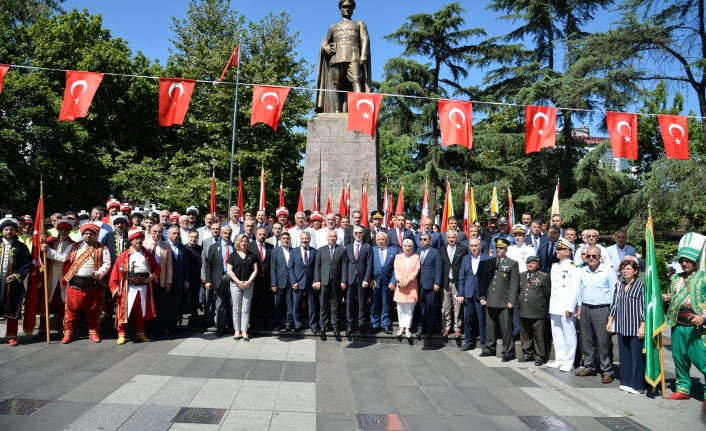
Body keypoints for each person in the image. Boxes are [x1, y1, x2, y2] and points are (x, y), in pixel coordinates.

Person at [45, 222, 111, 344]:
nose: (88, 236)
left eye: (91, 233)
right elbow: (61, 257)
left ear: (95, 235)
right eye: (86, 233)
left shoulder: (102, 248)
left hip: (93, 284)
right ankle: (68, 333)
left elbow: (107, 263)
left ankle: (93, 332)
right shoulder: (74, 247)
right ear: (82, 234)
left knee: (94, 311)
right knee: (71, 310)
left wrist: (99, 273)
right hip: (75, 283)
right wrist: (48, 250)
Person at [663, 232, 706, 409]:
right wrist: (666, 298)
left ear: (695, 260)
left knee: (703, 361)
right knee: (679, 358)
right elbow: (671, 297)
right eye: (682, 260)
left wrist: (703, 317)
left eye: (687, 260)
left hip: (698, 327)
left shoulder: (704, 277)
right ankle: (683, 389)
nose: (684, 263)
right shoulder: (674, 278)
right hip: (677, 325)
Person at [315, 0, 372, 114]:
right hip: (336, 57)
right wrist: (325, 48)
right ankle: (336, 110)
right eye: (344, 7)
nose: (346, 9)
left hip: (353, 55)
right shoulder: (333, 26)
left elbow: (365, 39)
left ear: (352, 10)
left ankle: (357, 110)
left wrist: (364, 54)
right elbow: (324, 43)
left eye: (348, 7)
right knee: (335, 84)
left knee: (356, 81)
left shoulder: (359, 23)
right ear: (340, 10)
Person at [109, 226, 160, 344]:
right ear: (131, 240)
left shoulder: (147, 255)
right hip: (129, 288)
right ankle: (121, 333)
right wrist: (115, 287)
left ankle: (140, 333)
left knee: (141, 311)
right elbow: (115, 273)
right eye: (136, 239)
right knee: (124, 310)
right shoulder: (124, 255)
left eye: (140, 239)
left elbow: (157, 267)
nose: (138, 241)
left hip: (143, 288)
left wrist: (152, 276)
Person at [575, 245, 618, 383]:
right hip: (586, 309)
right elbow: (580, 290)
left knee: (603, 342)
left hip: (602, 309)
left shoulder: (608, 271)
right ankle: (590, 367)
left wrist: (612, 314)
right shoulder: (583, 271)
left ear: (600, 257)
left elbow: (614, 293)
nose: (591, 258)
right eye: (588, 256)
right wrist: (580, 307)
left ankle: (607, 371)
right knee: (587, 341)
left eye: (594, 256)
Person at [607, 259, 646, 394]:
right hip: (622, 326)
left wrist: (643, 326)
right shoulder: (619, 286)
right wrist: (610, 321)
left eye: (628, 269)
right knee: (624, 357)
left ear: (635, 271)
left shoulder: (640, 287)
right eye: (623, 268)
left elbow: (643, 308)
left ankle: (638, 385)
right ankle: (626, 381)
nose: (625, 271)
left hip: (636, 327)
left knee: (637, 357)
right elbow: (614, 305)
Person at [480, 238, 519, 361]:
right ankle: (489, 348)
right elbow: (484, 282)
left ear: (506, 249)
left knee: (506, 328)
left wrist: (512, 300)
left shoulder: (512, 263)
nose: (498, 250)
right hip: (490, 299)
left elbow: (514, 284)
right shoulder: (489, 262)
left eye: (501, 248)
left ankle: (508, 351)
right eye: (497, 248)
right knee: (489, 327)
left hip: (504, 301)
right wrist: (482, 297)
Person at [35, 216, 75, 339]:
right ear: (57, 229)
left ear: (70, 231)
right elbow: (38, 255)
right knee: (46, 304)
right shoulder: (49, 241)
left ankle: (62, 328)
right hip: (49, 278)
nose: (63, 231)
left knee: (63, 305)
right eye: (61, 229)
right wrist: (40, 243)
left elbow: (63, 258)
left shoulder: (74, 245)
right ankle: (42, 329)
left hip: (64, 278)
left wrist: (48, 250)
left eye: (66, 229)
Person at [547, 239, 581, 372]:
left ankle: (569, 361)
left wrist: (570, 307)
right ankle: (560, 358)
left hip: (566, 306)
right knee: (557, 334)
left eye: (560, 249)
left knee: (569, 335)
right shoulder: (555, 266)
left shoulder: (574, 267)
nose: (557, 251)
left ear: (568, 252)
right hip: (555, 305)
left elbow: (575, 289)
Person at [1, 216, 32, 345]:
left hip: (13, 283)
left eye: (12, 229)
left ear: (16, 231)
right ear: (2, 231)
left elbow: (27, 264)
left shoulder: (22, 247)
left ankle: (12, 335)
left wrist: (16, 275)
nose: (9, 232)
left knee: (13, 308)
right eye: (6, 229)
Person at [457, 238, 490, 351]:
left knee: (482, 319)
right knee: (467, 319)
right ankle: (468, 342)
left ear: (480, 246)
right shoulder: (465, 259)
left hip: (481, 295)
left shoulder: (487, 258)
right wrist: (461, 293)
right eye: (471, 246)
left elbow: (489, 279)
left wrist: (486, 295)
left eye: (475, 246)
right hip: (468, 293)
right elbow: (461, 277)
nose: (473, 248)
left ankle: (484, 344)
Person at [518, 255, 551, 366]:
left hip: (538, 311)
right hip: (524, 310)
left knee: (539, 335)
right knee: (525, 334)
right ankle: (527, 354)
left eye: (532, 263)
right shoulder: (522, 275)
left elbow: (547, 294)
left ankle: (539, 356)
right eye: (528, 263)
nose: (530, 265)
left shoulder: (543, 277)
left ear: (537, 265)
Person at [314, 230, 348, 336]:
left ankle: (335, 326)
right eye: (330, 236)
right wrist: (317, 280)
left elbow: (344, 267)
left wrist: (343, 281)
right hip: (323, 282)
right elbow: (317, 266)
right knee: (323, 305)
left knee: (336, 305)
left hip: (336, 282)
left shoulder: (342, 250)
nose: (332, 238)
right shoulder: (321, 250)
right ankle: (323, 326)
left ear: (336, 238)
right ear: (327, 238)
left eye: (334, 236)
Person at [143, 224, 173, 339]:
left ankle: (160, 329)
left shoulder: (166, 246)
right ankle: (147, 329)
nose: (157, 234)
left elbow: (169, 266)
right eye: (155, 231)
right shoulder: (144, 243)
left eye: (160, 232)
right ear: (150, 231)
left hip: (161, 281)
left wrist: (168, 281)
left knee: (161, 307)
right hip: (146, 281)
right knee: (148, 306)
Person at [227, 233, 258, 341]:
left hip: (249, 285)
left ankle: (244, 331)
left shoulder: (251, 255)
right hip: (235, 285)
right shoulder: (233, 255)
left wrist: (249, 281)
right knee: (236, 309)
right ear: (238, 242)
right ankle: (237, 331)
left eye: (245, 241)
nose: (243, 243)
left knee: (245, 309)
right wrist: (238, 282)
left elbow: (255, 270)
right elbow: (229, 271)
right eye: (241, 241)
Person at [205, 225, 234, 337]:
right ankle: (220, 327)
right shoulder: (213, 247)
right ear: (221, 234)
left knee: (233, 303)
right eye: (225, 233)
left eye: (229, 233)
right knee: (220, 304)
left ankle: (232, 326)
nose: (227, 235)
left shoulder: (236, 246)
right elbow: (208, 265)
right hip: (219, 278)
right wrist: (208, 280)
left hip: (233, 278)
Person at [288, 232, 319, 333]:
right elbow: (290, 268)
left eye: (306, 238)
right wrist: (293, 282)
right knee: (296, 305)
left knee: (312, 305)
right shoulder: (294, 252)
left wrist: (316, 280)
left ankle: (313, 324)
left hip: (311, 283)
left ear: (310, 239)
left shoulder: (315, 251)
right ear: (300, 239)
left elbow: (317, 268)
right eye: (302, 238)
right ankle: (297, 324)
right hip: (297, 282)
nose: (304, 240)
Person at [345, 226, 373, 334]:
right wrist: (345, 279)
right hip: (350, 279)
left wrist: (367, 279)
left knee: (362, 304)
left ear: (363, 234)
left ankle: (361, 325)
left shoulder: (367, 247)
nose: (358, 235)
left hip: (362, 280)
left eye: (360, 233)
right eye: (356, 233)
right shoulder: (348, 247)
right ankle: (350, 325)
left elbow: (369, 264)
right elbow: (345, 264)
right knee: (349, 304)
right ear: (353, 234)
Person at [440, 230, 468, 338]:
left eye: (453, 237)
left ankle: (457, 328)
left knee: (458, 306)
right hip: (446, 281)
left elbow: (464, 265)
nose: (451, 239)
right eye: (449, 238)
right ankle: (446, 327)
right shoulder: (442, 249)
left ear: (457, 238)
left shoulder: (463, 249)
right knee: (445, 306)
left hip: (458, 281)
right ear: (446, 239)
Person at [370, 232, 398, 334]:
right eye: (378, 240)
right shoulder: (371, 250)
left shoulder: (394, 251)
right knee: (374, 304)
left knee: (386, 303)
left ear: (386, 241)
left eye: (382, 240)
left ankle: (385, 324)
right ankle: (375, 324)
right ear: (376, 241)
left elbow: (396, 268)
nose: (380, 242)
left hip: (388, 282)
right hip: (374, 282)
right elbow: (369, 266)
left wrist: (393, 281)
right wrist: (370, 278)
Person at [415, 232, 443, 336]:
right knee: (420, 307)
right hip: (419, 284)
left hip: (431, 284)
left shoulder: (436, 252)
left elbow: (438, 268)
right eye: (421, 239)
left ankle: (430, 328)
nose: (422, 241)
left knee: (430, 307)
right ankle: (420, 327)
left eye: (425, 239)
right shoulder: (417, 252)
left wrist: (437, 283)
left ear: (430, 241)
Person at [165, 225, 190, 334]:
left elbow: (185, 265)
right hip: (167, 281)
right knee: (165, 304)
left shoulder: (182, 247)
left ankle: (173, 326)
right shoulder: (164, 246)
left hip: (179, 281)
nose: (176, 236)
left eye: (177, 234)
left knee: (176, 304)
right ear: (168, 234)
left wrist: (186, 279)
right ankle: (163, 326)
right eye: (174, 233)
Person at [393, 239, 420, 338]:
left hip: (411, 285)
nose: (407, 248)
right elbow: (396, 269)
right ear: (402, 247)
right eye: (405, 246)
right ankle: (401, 328)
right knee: (400, 308)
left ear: (412, 247)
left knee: (409, 308)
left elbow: (416, 270)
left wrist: (408, 280)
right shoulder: (398, 257)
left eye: (409, 246)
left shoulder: (416, 257)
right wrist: (400, 280)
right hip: (400, 285)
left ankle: (407, 328)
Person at [248, 226, 273, 330]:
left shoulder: (270, 247)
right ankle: (249, 323)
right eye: (260, 234)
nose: (262, 236)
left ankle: (264, 323)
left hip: (266, 280)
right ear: (255, 235)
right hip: (253, 279)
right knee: (251, 302)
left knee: (264, 302)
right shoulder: (249, 246)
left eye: (264, 234)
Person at [270, 231, 293, 331]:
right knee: (277, 304)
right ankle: (277, 324)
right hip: (279, 282)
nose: (285, 240)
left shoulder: (294, 251)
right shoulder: (275, 251)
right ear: (280, 240)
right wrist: (274, 283)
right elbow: (273, 268)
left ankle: (288, 323)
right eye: (283, 238)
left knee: (290, 304)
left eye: (287, 239)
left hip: (291, 282)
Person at [200, 223, 221, 327]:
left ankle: (218, 320)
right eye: (213, 229)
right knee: (208, 298)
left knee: (219, 298)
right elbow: (203, 260)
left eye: (217, 229)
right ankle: (208, 319)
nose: (215, 231)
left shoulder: (223, 241)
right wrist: (203, 275)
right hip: (208, 274)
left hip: (219, 275)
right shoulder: (206, 242)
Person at [184, 231, 203, 327]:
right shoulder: (183, 248)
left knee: (195, 299)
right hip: (185, 278)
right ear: (188, 237)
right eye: (191, 237)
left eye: (195, 237)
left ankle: (194, 318)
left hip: (196, 278)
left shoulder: (200, 249)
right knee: (183, 299)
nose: (193, 239)